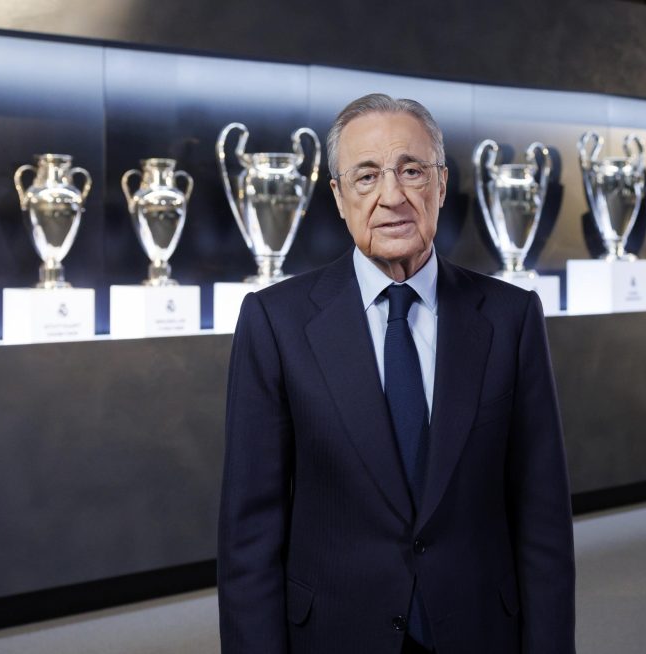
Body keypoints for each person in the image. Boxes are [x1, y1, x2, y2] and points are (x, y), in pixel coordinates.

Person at [218, 93, 575, 654]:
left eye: (411, 171)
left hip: (478, 629)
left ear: (440, 183)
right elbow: (250, 535)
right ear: (338, 197)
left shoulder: (511, 318)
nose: (392, 196)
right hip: (336, 634)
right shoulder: (276, 323)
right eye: (366, 176)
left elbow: (543, 517)